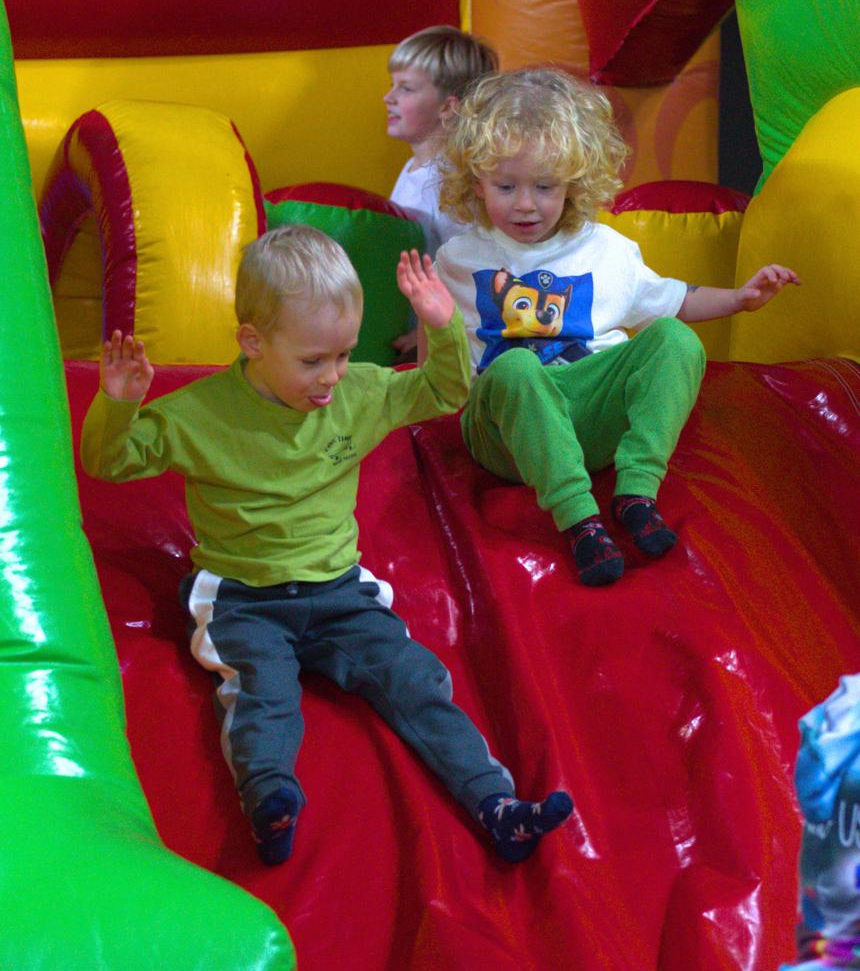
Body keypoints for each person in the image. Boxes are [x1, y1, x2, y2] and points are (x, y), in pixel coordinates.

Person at [80, 224, 573, 865]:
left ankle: (496, 804)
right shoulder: (199, 413)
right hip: (245, 598)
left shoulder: (356, 392)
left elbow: (444, 392)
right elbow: (110, 462)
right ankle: (270, 798)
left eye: (343, 355)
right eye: (313, 361)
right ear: (253, 342)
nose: (331, 377)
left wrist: (444, 326)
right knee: (263, 693)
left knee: (416, 680)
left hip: (339, 592)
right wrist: (118, 404)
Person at [431, 68, 800, 587]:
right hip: (506, 431)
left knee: (674, 339)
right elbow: (439, 350)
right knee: (515, 366)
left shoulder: (606, 250)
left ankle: (636, 491)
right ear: (477, 182)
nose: (525, 204)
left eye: (544, 187)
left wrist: (741, 299)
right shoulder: (459, 258)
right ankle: (580, 521)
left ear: (573, 183)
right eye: (506, 186)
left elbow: (678, 301)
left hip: (589, 413)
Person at [384, 24, 499, 355]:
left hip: (446, 334)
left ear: (448, 108)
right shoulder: (414, 167)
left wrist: (439, 329)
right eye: (393, 85)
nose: (389, 98)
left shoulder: (449, 180)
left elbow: (477, 270)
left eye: (405, 88)